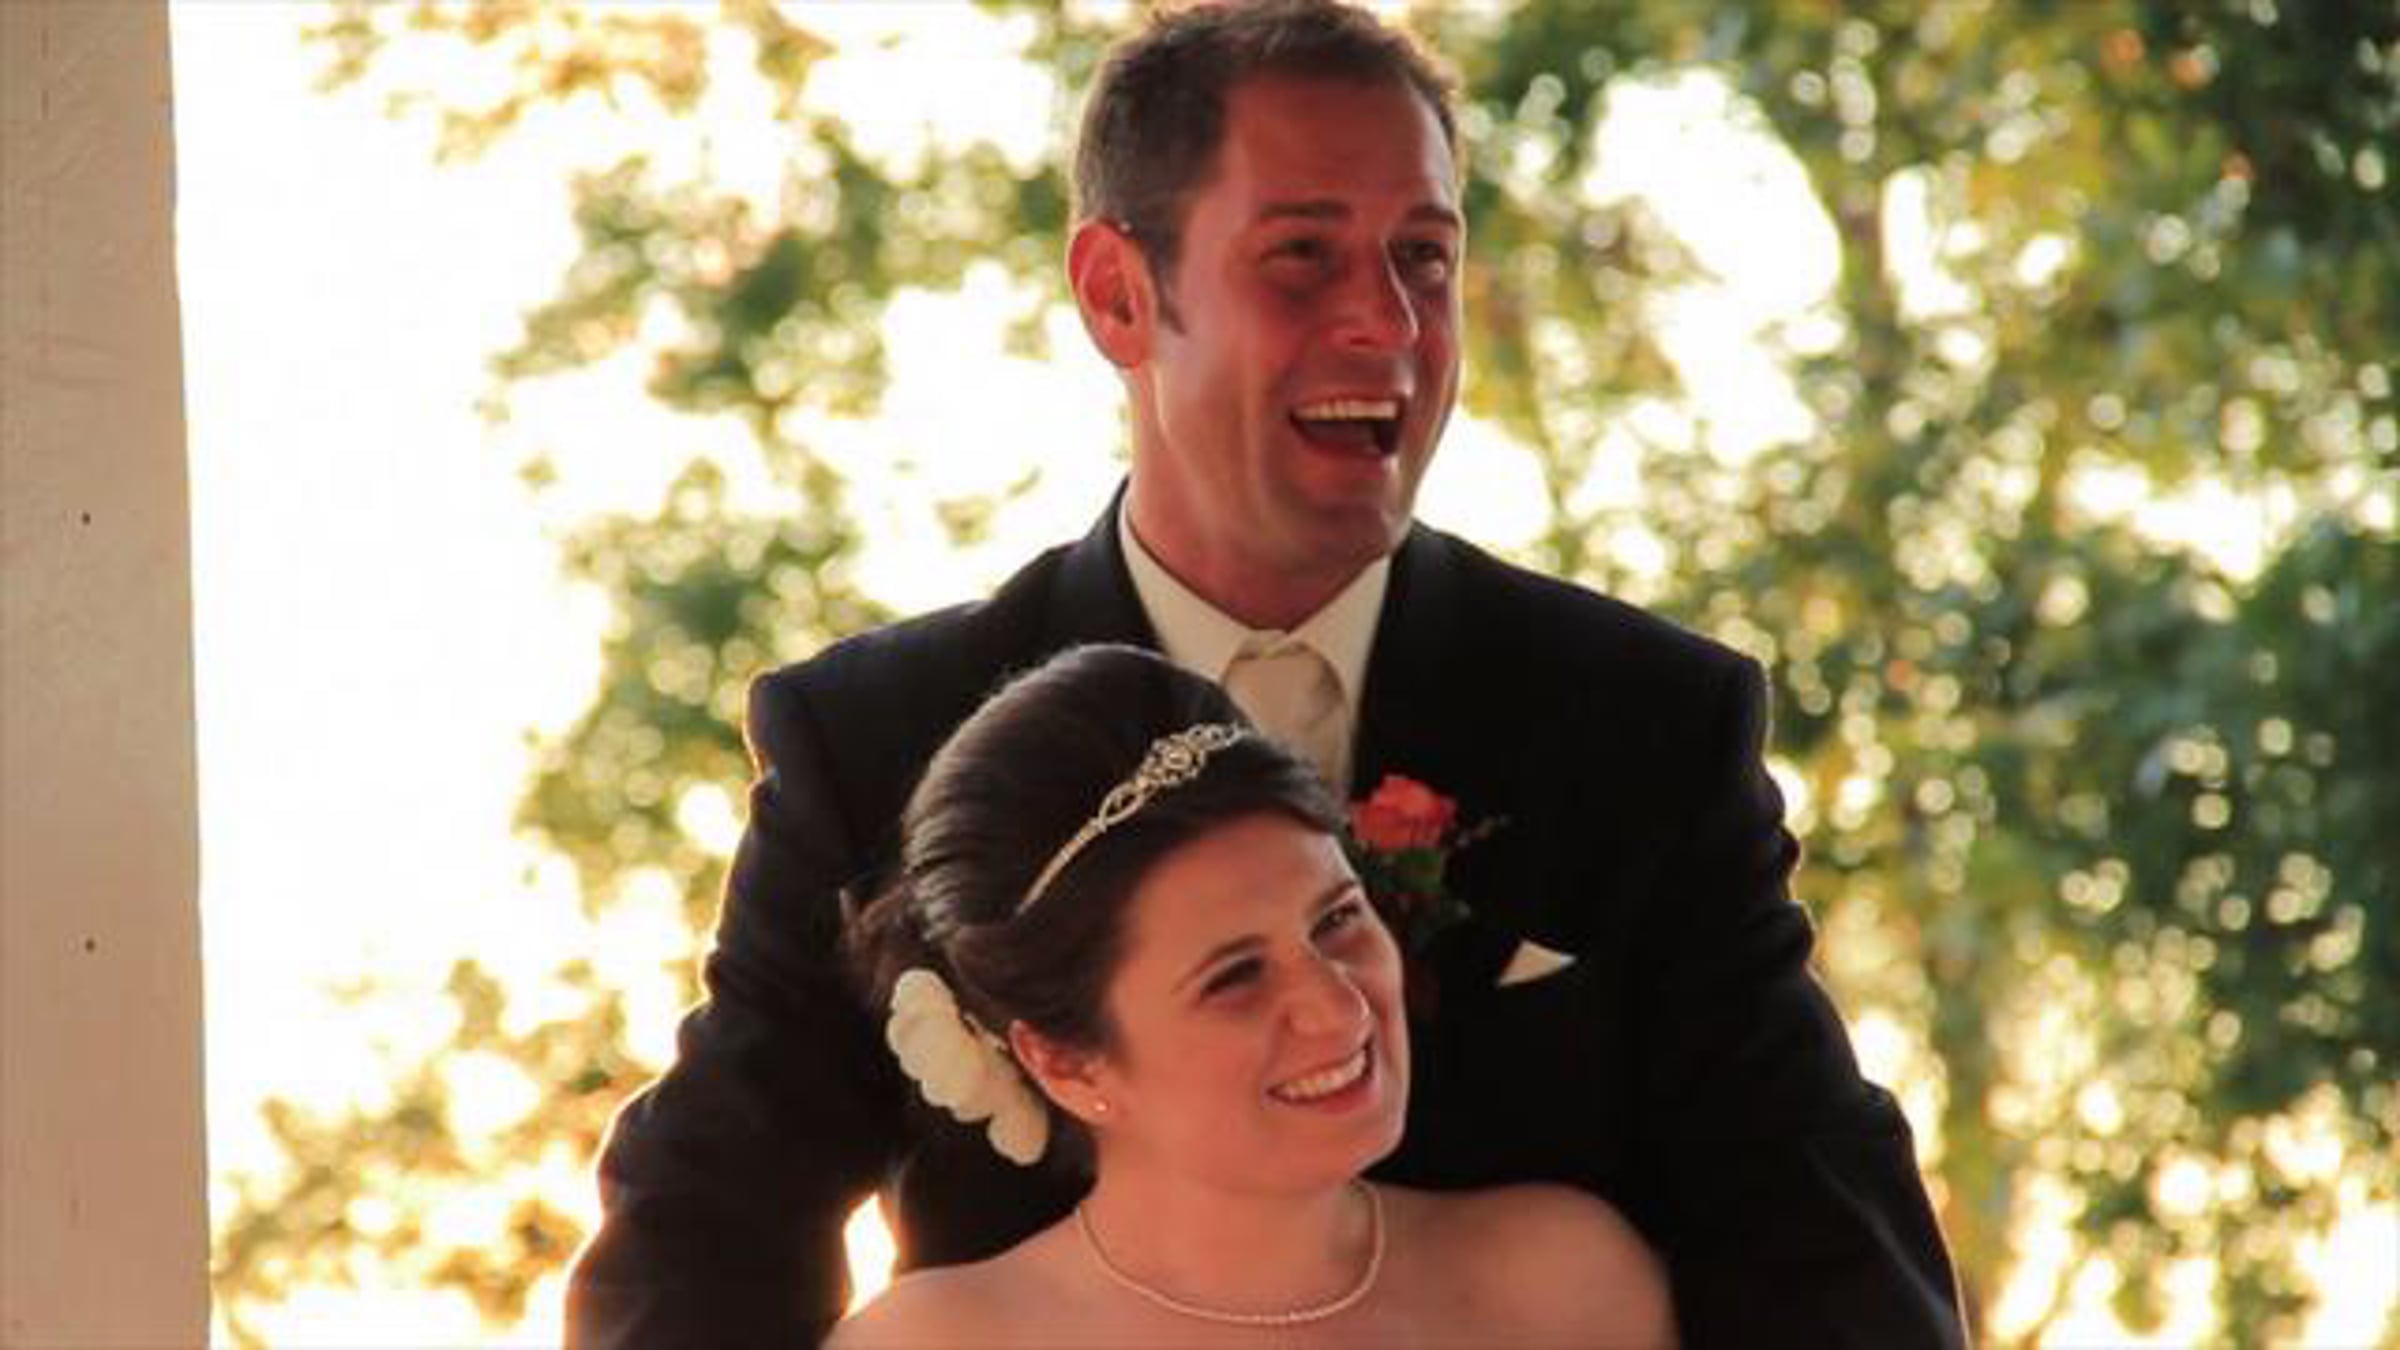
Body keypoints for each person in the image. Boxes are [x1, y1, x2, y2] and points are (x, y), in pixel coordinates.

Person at [567, 3, 1965, 1347]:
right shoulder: (873, 738)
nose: (1387, 322)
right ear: (1119, 295)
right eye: (1303, 257)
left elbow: (1819, 1239)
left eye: (1424, 257)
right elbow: (705, 1229)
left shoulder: (1641, 724)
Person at [826, 643, 1674, 1346]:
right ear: (1066, 1062)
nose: (1340, 1008)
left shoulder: (1564, 1288)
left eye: (1337, 919)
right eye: (1234, 976)